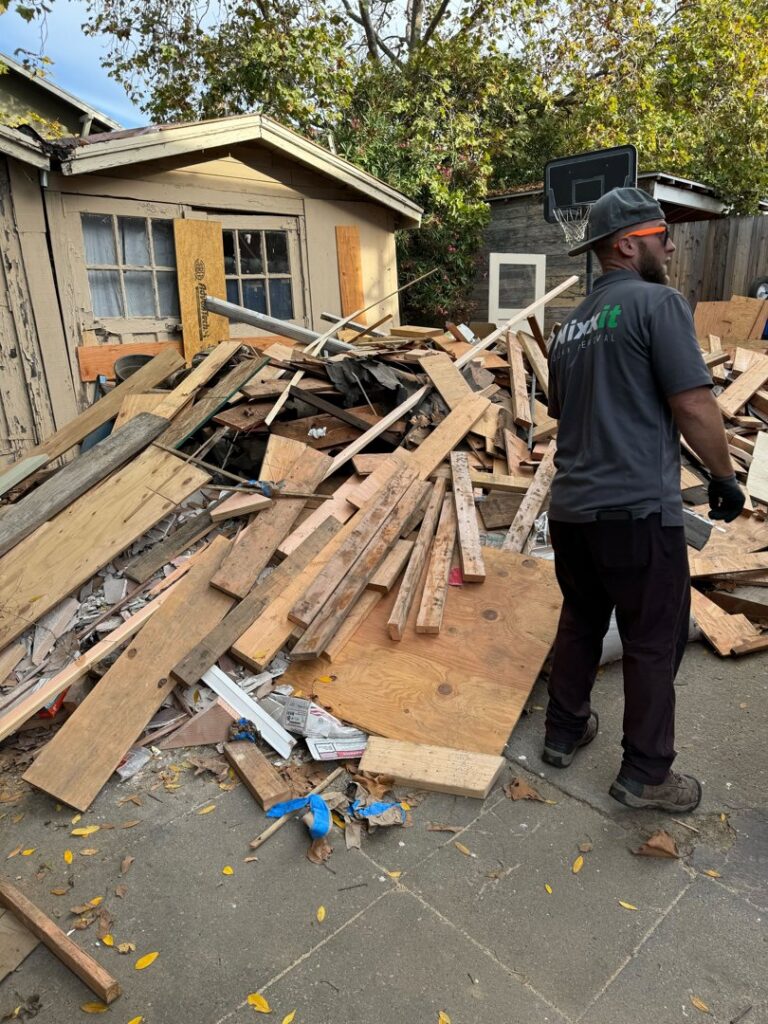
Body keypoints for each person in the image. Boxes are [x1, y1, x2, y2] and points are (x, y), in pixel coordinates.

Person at [542, 186, 745, 813]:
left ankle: (563, 733)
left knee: (581, 620)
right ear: (628, 244)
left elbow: (560, 409)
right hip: (635, 512)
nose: (672, 245)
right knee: (655, 640)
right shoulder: (660, 305)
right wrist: (723, 475)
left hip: (571, 512)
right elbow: (691, 403)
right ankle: (646, 774)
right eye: (663, 236)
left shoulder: (566, 326)